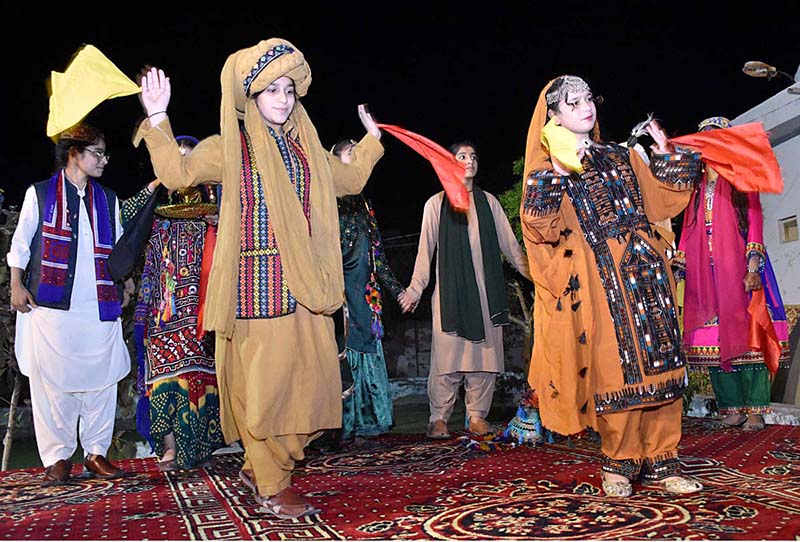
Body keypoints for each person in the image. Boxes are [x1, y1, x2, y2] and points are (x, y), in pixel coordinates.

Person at [136, 38, 383, 519]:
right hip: (256, 292)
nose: (283, 98)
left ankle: (260, 464)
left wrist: (371, 140)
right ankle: (272, 482)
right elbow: (177, 172)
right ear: (251, 96)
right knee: (269, 394)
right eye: (272, 89)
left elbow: (350, 181)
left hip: (307, 290)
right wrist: (158, 117)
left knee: (314, 391)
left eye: (289, 89)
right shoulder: (233, 147)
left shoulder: (306, 149)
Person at [521, 75, 704, 497]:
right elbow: (540, 228)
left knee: (663, 363)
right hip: (601, 281)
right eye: (573, 101)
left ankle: (663, 459)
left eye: (589, 98)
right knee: (615, 368)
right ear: (554, 115)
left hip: (647, 272)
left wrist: (663, 155)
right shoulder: (549, 170)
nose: (586, 106)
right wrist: (557, 173)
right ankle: (619, 462)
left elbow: (662, 199)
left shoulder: (620, 155)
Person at [8, 124, 130, 485]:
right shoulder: (41, 194)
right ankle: (58, 458)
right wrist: (16, 284)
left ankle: (96, 453)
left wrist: (126, 281)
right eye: (98, 153)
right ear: (75, 154)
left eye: (105, 154)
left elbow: (119, 249)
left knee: (102, 381)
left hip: (99, 306)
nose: (104, 160)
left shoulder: (108, 199)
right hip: (52, 307)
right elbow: (21, 244)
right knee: (53, 385)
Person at [399, 141, 530, 439]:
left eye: (473, 156)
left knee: (484, 357)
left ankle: (476, 416)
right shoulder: (435, 204)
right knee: (448, 357)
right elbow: (425, 251)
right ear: (450, 161)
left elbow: (510, 246)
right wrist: (415, 289)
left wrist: (537, 275)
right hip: (450, 295)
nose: (469, 160)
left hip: (487, 294)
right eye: (462, 156)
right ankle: (439, 418)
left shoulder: (490, 203)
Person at [675, 116, 791, 431]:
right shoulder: (696, 185)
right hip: (704, 273)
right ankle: (732, 408)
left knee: (748, 339)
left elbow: (754, 221)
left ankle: (755, 410)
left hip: (738, 269)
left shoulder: (743, 178)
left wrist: (753, 265)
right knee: (712, 343)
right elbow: (687, 229)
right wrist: (679, 266)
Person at [123, 135, 224, 470]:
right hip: (162, 311)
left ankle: (201, 446)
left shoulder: (214, 214)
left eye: (190, 160)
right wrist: (159, 179)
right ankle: (169, 448)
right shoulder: (156, 216)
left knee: (202, 376)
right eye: (178, 160)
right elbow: (124, 215)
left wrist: (218, 224)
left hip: (201, 311)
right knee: (165, 378)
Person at [333, 138, 404, 445]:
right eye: (351, 154)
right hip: (341, 298)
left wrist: (399, 290)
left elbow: (378, 256)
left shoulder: (364, 203)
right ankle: (347, 426)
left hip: (368, 295)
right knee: (348, 357)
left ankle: (373, 423)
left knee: (370, 351)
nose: (357, 158)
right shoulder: (330, 200)